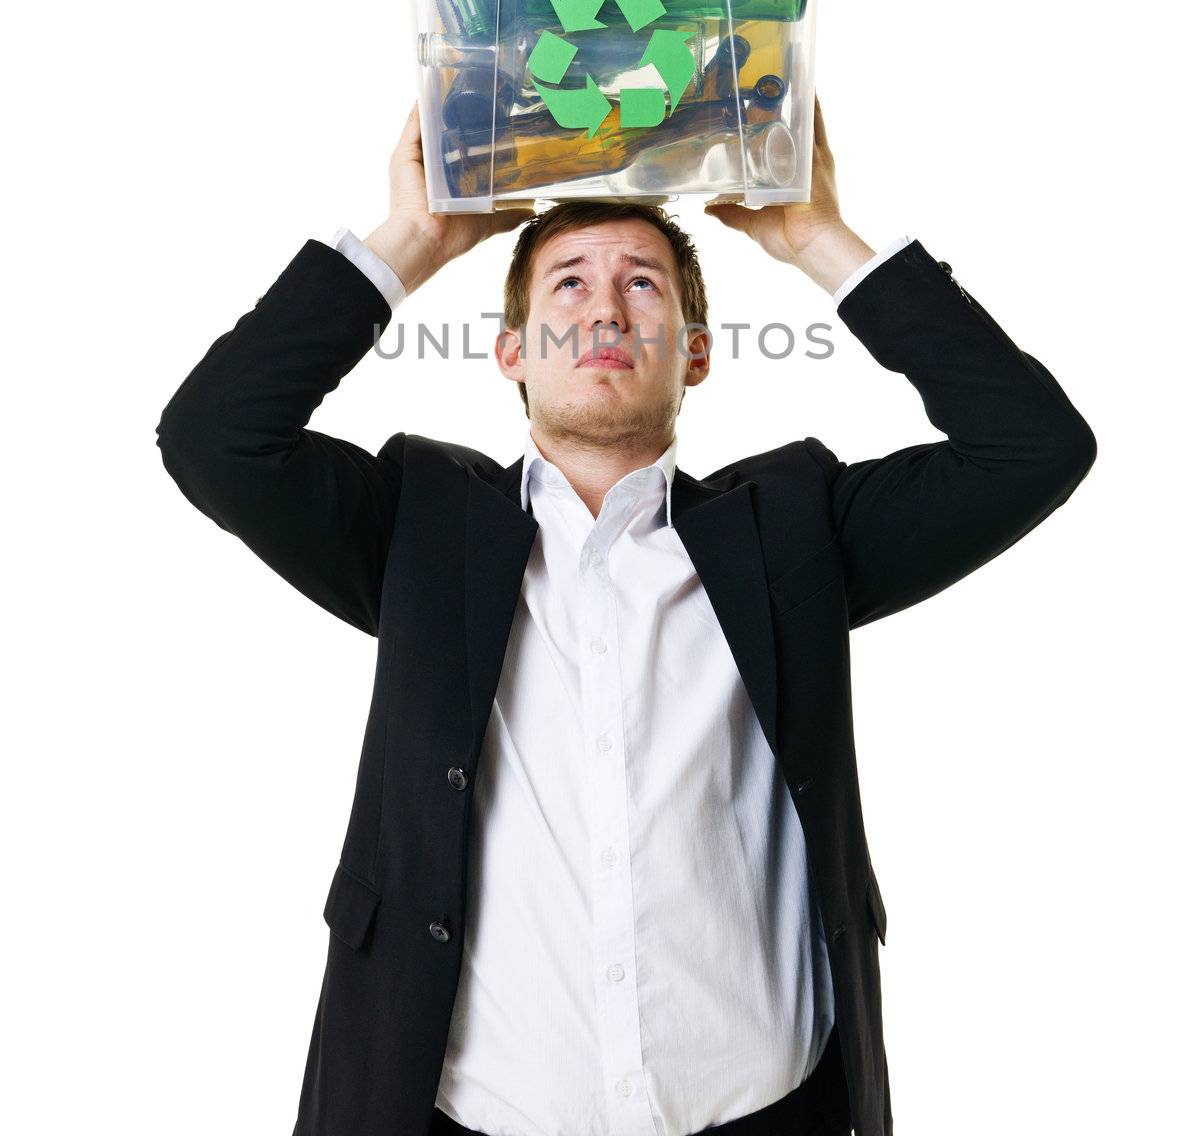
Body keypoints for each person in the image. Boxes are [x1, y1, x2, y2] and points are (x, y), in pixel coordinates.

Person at [155, 98, 1096, 1136]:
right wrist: (415, 237)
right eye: (570, 286)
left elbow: (1034, 447)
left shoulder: (791, 533)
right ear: (512, 350)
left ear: (694, 352)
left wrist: (818, 238)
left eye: (641, 286)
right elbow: (214, 437)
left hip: (769, 1114)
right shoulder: (418, 531)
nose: (605, 313)